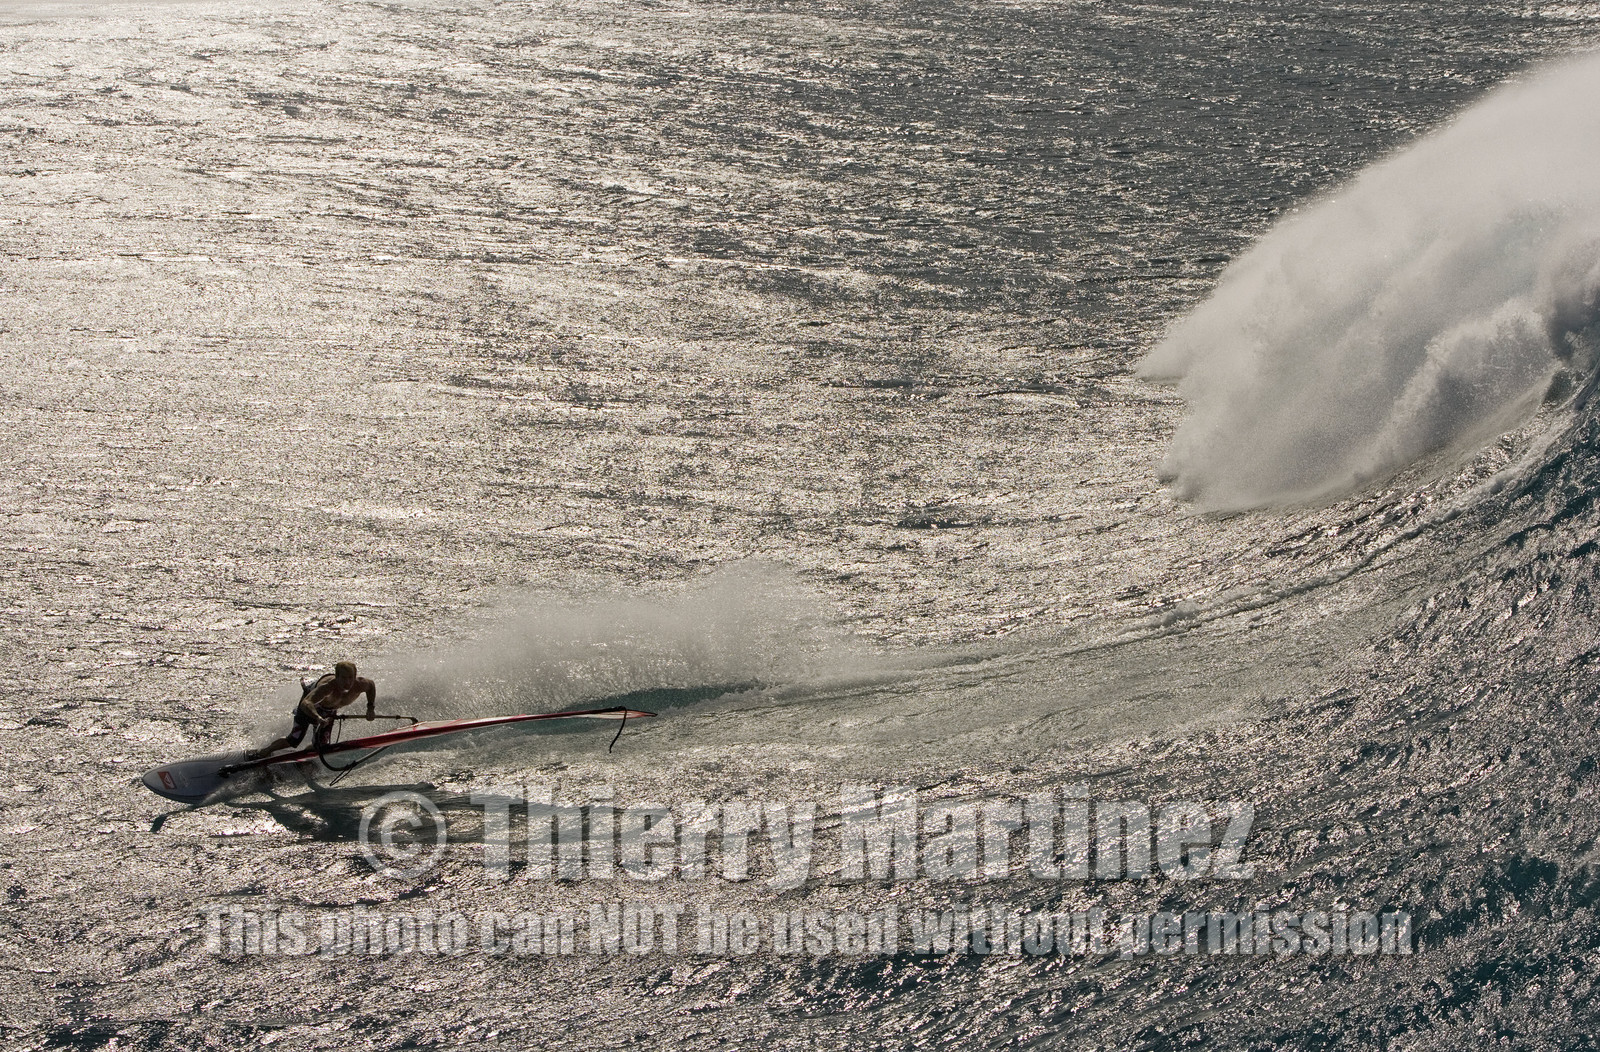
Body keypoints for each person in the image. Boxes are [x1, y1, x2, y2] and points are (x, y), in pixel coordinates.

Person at [248, 661, 377, 759]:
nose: (348, 682)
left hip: (328, 711)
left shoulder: (361, 684)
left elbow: (371, 686)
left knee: (321, 746)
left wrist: (370, 708)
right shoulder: (327, 687)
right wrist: (318, 718)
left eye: (350, 677)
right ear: (337, 677)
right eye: (343, 678)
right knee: (294, 740)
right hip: (310, 707)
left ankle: (308, 754)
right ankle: (264, 752)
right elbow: (306, 703)